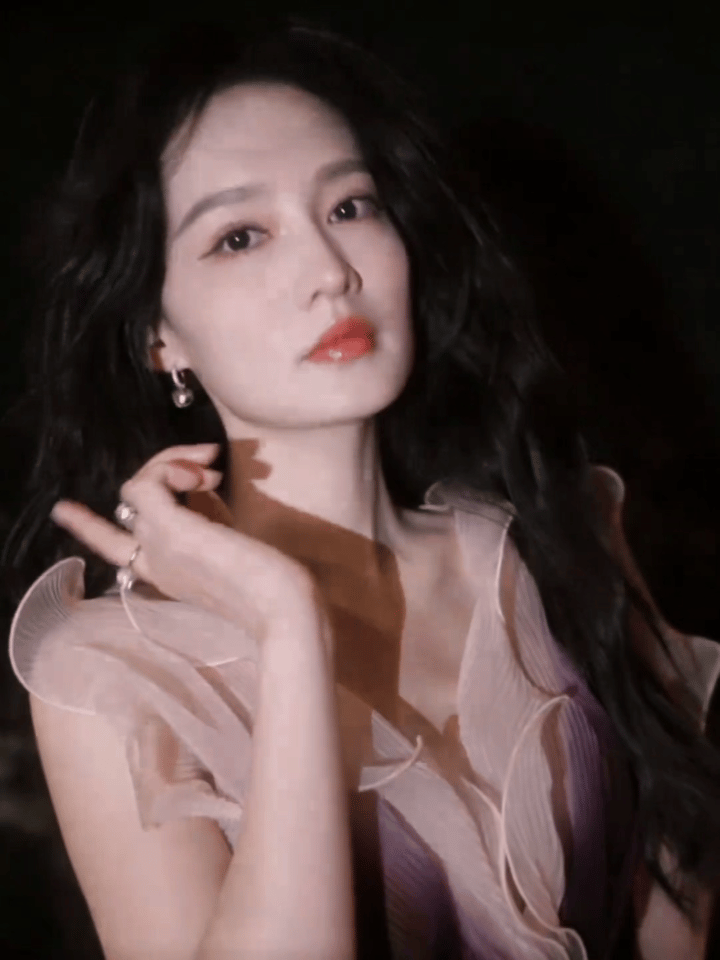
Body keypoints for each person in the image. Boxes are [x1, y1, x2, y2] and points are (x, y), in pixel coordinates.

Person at [3, 15, 720, 960]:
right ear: (157, 336)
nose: (331, 272)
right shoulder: (116, 673)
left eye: (350, 206)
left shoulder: (563, 539)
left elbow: (677, 904)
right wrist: (286, 628)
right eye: (241, 236)